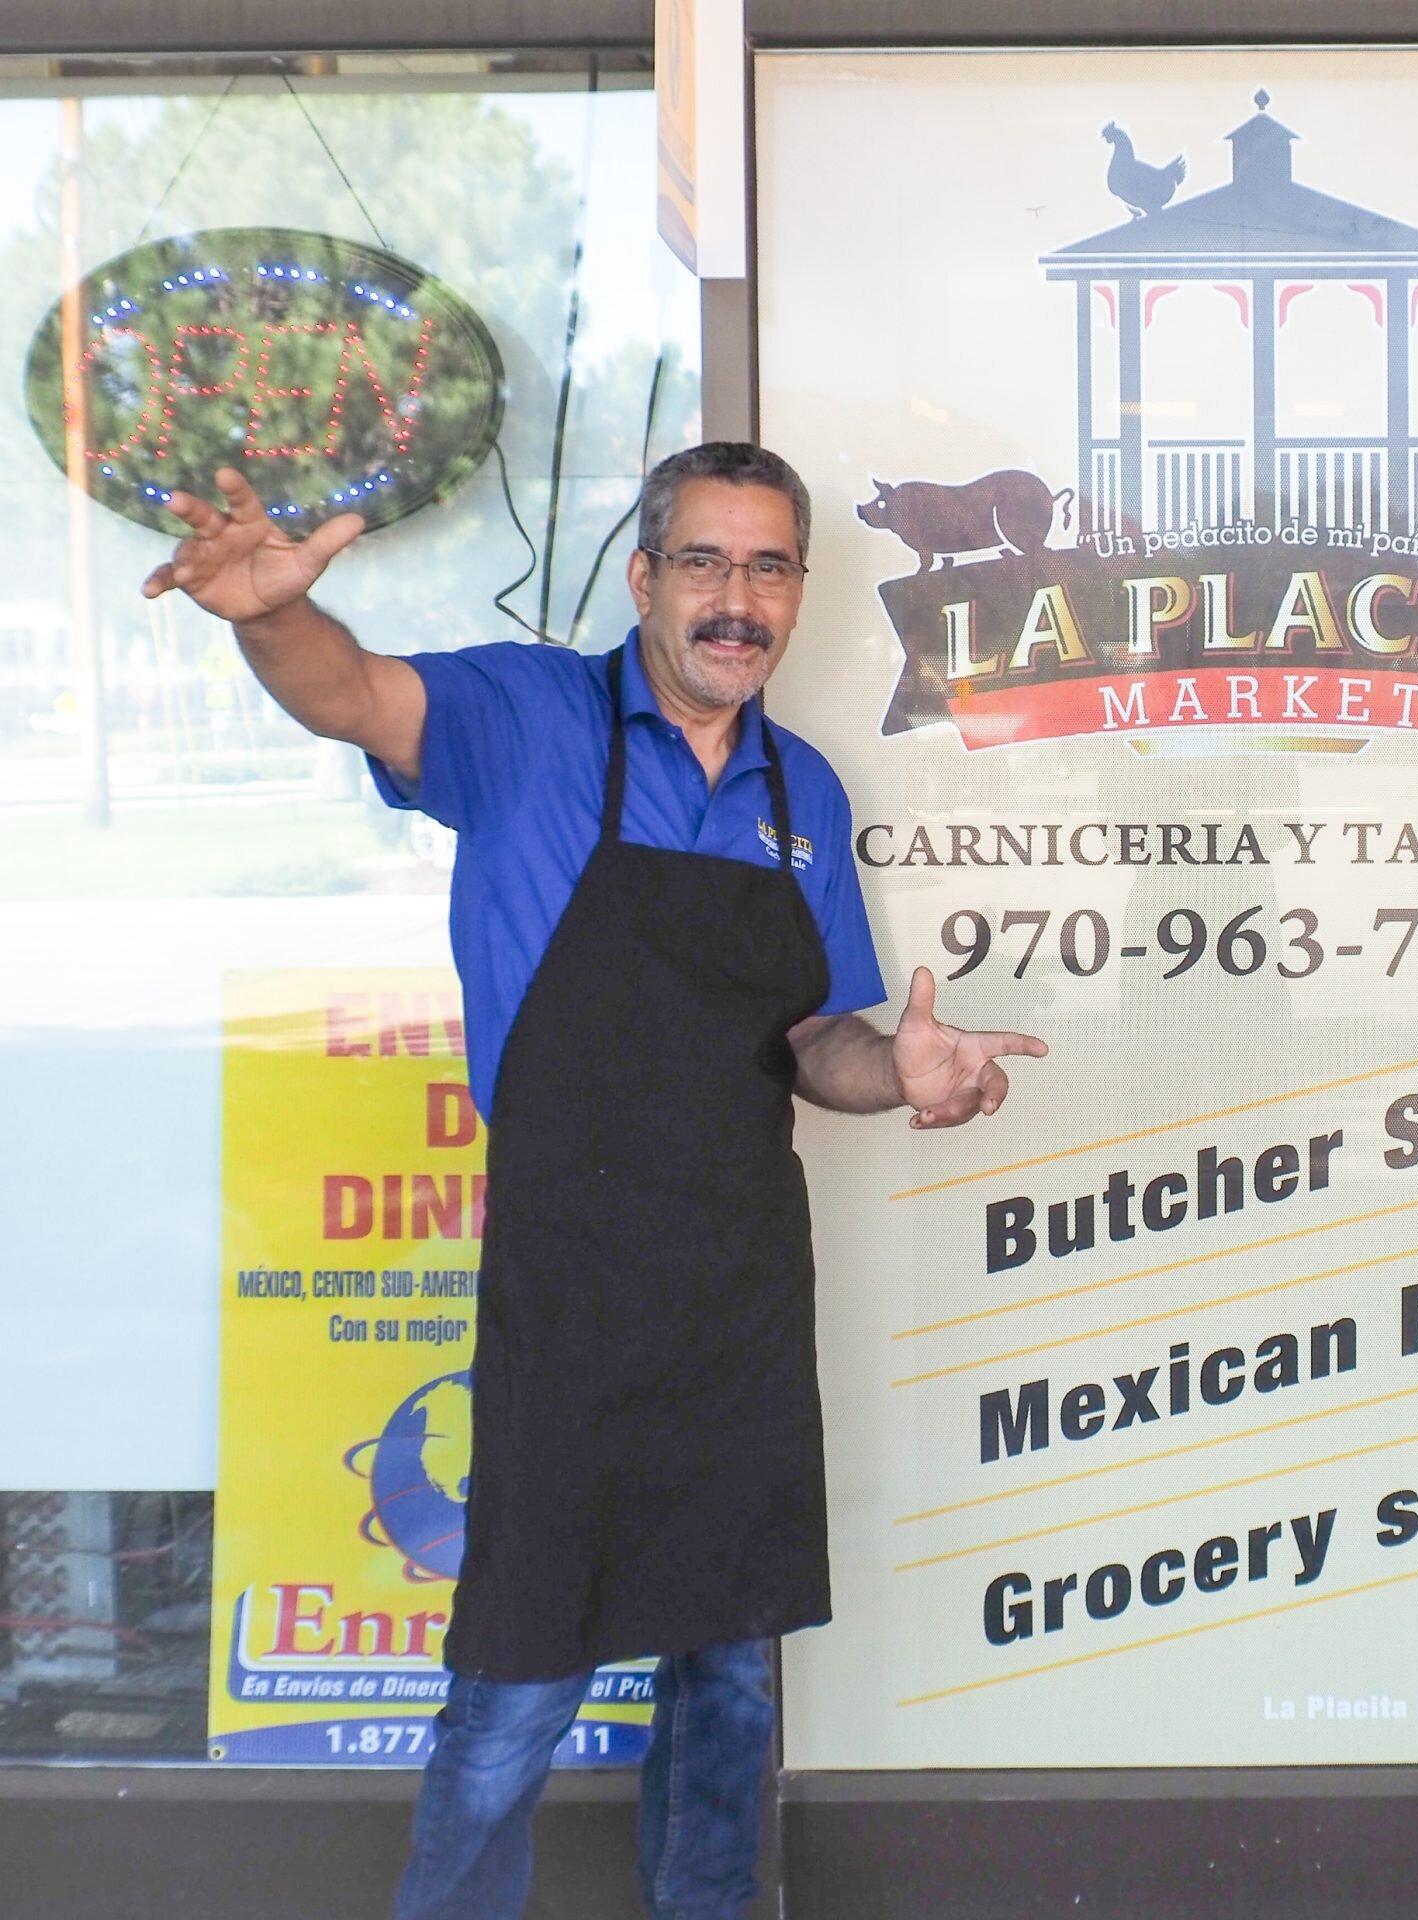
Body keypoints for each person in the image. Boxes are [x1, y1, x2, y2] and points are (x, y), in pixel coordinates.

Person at [145, 445, 1046, 1920]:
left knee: (731, 1685)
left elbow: (817, 1037)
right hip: (571, 1290)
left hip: (741, 1299)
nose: (735, 601)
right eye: (705, 562)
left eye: (768, 569)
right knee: (513, 1695)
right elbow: (354, 693)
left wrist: (907, 1074)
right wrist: (268, 619)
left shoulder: (798, 785)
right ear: (645, 577)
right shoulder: (526, 716)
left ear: (800, 593)